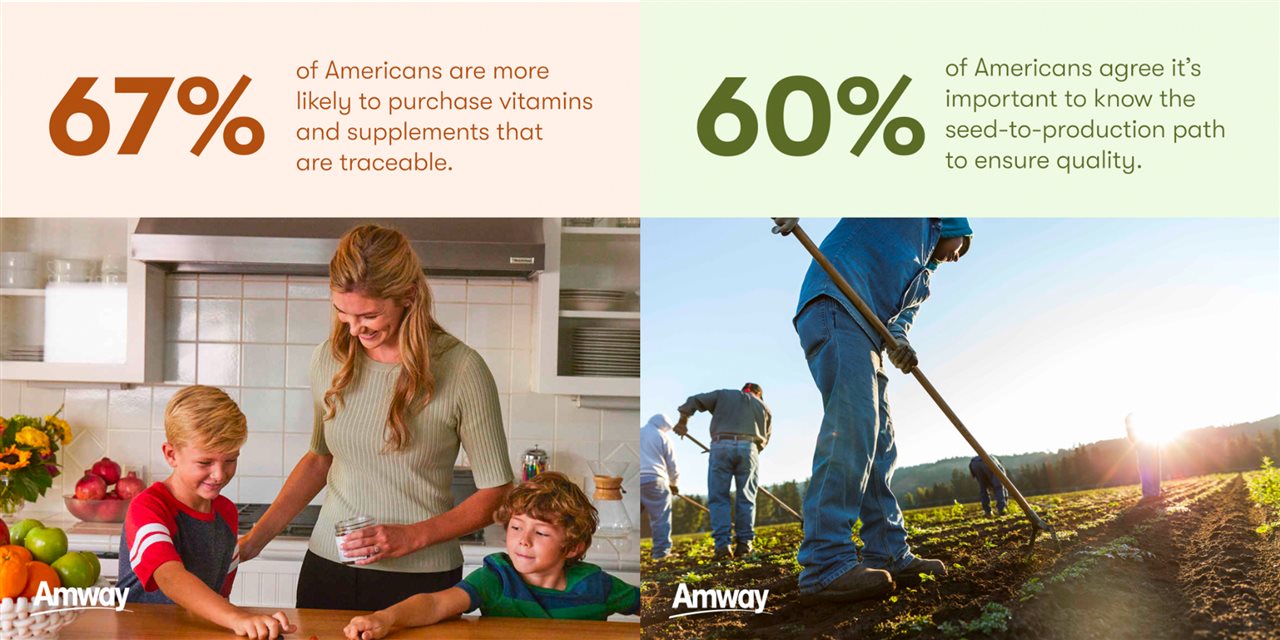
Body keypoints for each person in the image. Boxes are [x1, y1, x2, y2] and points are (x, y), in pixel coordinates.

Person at [238, 224, 514, 610]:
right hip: (328, 570)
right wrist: (257, 537)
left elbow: (496, 491)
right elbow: (319, 458)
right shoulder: (329, 359)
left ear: (408, 296)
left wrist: (411, 537)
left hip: (421, 583)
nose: (353, 329)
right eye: (342, 313)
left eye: (368, 315)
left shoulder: (462, 368)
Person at [772, 217, 972, 604]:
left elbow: (900, 322)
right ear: (950, 223)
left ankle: (889, 552)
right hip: (836, 304)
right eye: (963, 245)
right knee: (853, 428)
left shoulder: (923, 279)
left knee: (881, 445)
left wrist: (900, 342)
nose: (959, 257)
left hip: (868, 337)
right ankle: (825, 563)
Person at [342, 472, 640, 638]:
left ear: (573, 547)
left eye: (541, 533)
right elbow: (434, 604)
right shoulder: (496, 577)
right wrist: (385, 618)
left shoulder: (596, 585)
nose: (523, 541)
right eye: (516, 527)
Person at [119, 385, 296, 640]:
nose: (219, 474)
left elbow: (219, 598)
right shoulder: (148, 508)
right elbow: (169, 576)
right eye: (205, 462)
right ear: (171, 454)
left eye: (230, 460)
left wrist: (254, 623)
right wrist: (238, 618)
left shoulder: (226, 513)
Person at [673, 383, 771, 559]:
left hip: (720, 444)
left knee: (719, 498)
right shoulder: (763, 407)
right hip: (749, 448)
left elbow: (692, 401)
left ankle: (723, 546)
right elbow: (764, 442)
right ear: (758, 394)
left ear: (743, 390)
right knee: (746, 498)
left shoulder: (724, 395)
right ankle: (744, 545)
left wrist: (682, 423)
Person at [639, 414, 680, 560]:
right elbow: (672, 465)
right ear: (664, 426)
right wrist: (674, 484)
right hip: (655, 480)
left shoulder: (639, 432)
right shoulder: (662, 437)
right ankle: (661, 554)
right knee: (660, 518)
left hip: (637, 480)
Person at [1125, 413, 1162, 499]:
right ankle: (1155, 491)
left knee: (1146, 466)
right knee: (1154, 466)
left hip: (1146, 443)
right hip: (1151, 442)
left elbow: (1131, 432)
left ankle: (1150, 492)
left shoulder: (1133, 417)